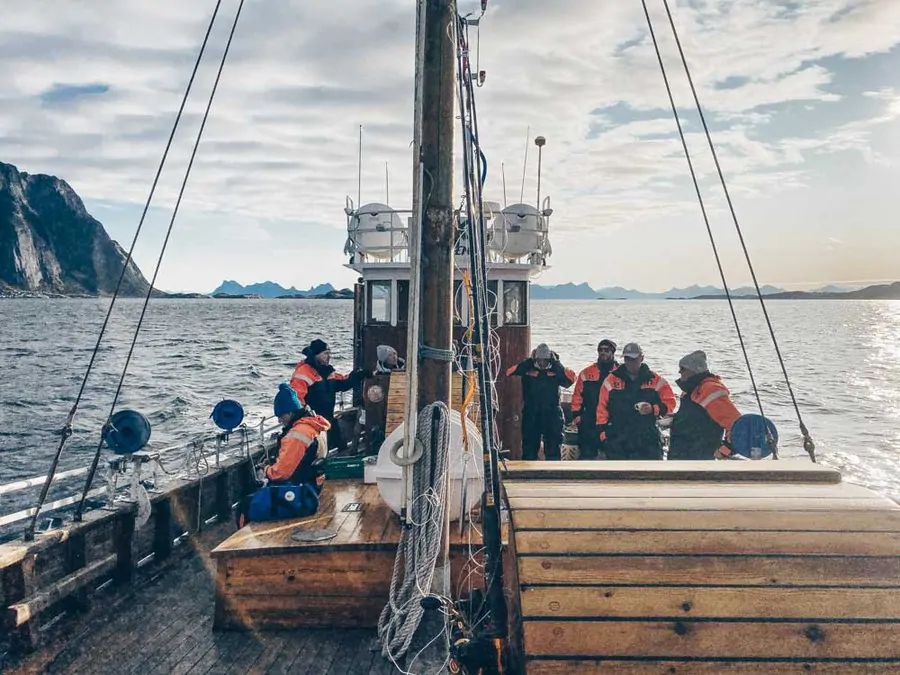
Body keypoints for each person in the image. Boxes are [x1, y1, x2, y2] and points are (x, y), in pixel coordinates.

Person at [236, 383, 331, 528]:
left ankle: (242, 545)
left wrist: (266, 469)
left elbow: (280, 474)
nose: (280, 421)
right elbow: (302, 460)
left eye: (281, 416)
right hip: (314, 486)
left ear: (290, 413)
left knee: (245, 506)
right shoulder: (314, 425)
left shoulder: (297, 435)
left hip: (300, 493)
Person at [596, 342, 676, 460]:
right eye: (627, 359)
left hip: (647, 438)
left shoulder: (655, 380)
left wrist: (653, 409)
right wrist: (603, 436)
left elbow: (670, 403)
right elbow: (602, 409)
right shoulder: (611, 380)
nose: (630, 363)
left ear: (641, 358)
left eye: (633, 359)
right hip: (618, 438)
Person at [290, 338, 372, 451]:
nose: (329, 357)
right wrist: (306, 417)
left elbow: (342, 383)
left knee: (341, 446)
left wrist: (358, 375)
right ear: (316, 355)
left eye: (329, 353)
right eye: (325, 353)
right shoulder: (303, 373)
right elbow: (297, 399)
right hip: (312, 422)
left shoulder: (328, 372)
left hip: (328, 419)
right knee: (318, 450)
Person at [506, 343, 576, 461]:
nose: (542, 364)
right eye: (540, 361)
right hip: (532, 413)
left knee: (553, 448)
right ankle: (528, 475)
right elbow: (509, 372)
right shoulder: (528, 368)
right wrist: (527, 362)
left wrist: (557, 364)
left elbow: (571, 379)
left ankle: (553, 474)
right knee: (529, 449)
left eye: (545, 361)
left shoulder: (555, 369)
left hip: (552, 413)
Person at [669, 350, 742, 460]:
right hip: (683, 454)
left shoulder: (710, 389)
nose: (679, 372)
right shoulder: (691, 390)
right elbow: (691, 418)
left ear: (694, 370)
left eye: (683, 368)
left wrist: (725, 450)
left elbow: (736, 424)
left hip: (700, 457)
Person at [571, 339, 618, 459]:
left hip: (613, 421)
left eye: (606, 350)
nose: (603, 353)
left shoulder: (621, 373)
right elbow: (577, 396)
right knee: (586, 454)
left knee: (613, 455)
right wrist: (577, 417)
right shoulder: (586, 373)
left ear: (613, 353)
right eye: (600, 350)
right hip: (589, 421)